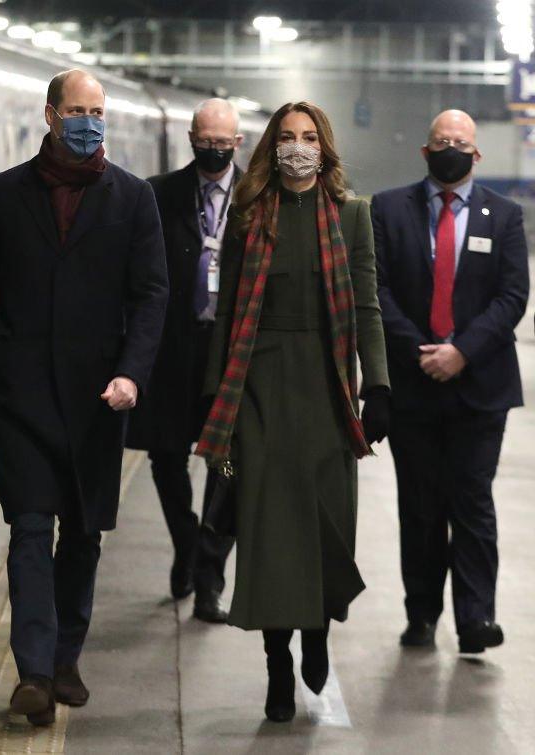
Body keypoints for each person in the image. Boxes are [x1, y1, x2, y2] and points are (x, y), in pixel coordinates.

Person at [0, 69, 168, 727]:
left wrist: (132, 371)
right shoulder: (5, 193)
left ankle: (67, 654)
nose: (88, 120)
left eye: (97, 110)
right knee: (27, 527)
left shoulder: (131, 199)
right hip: (22, 395)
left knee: (82, 533)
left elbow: (152, 293)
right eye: (77, 109)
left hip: (99, 397)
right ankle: (34, 670)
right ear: (50, 114)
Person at [197, 102, 389, 722]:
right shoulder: (250, 215)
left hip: (329, 387)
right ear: (271, 146)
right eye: (287, 138)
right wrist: (212, 394)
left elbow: (366, 307)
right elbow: (227, 313)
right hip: (258, 388)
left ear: (324, 148)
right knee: (269, 529)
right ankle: (278, 664)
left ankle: (318, 634)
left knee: (327, 524)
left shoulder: (353, 215)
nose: (298, 147)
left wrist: (378, 386)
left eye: (309, 138)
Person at [371, 110, 529, 655]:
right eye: (442, 141)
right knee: (419, 507)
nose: (451, 150)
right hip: (414, 387)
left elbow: (512, 297)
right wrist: (424, 351)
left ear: (477, 155)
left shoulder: (504, 217)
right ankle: (421, 616)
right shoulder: (388, 210)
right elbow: (377, 289)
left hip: (480, 388)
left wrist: (462, 351)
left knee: (472, 502)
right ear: (425, 150)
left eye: (461, 143)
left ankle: (476, 619)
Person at [126, 98, 242, 619]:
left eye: (223, 143)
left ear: (238, 143)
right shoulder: (158, 194)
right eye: (205, 141)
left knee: (229, 465)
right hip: (173, 352)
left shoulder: (257, 199)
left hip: (230, 354)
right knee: (166, 457)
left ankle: (210, 575)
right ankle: (185, 542)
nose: (213, 151)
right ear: (191, 137)